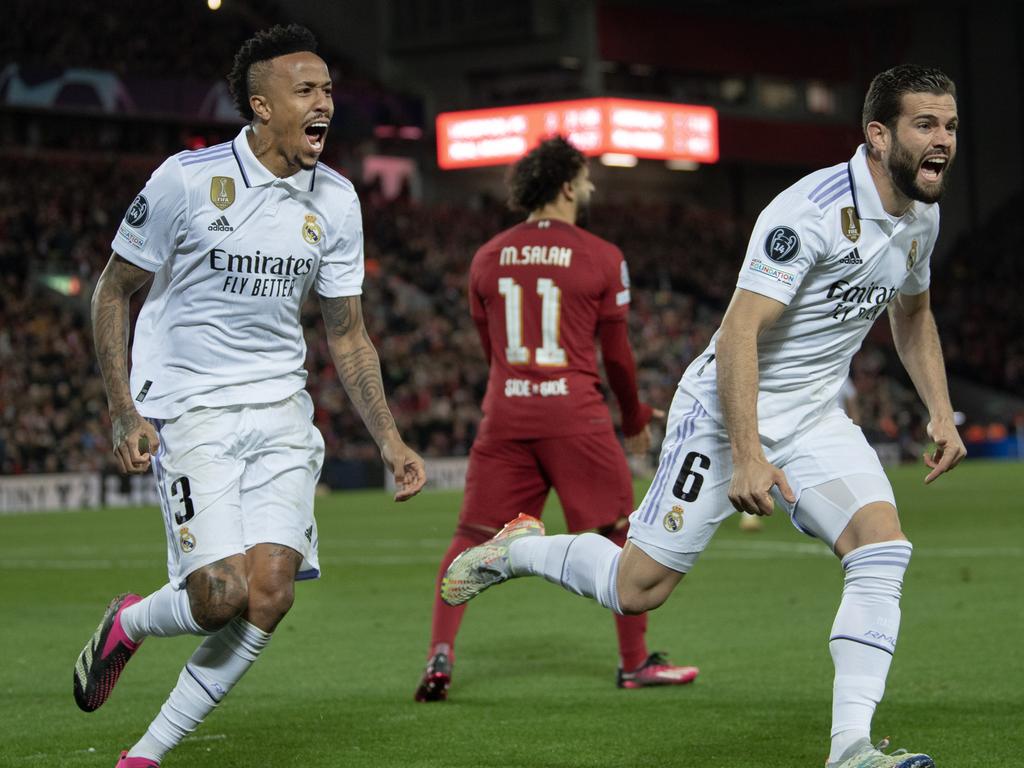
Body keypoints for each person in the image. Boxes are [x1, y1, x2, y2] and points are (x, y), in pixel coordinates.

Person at [442, 65, 965, 768]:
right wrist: (748, 454)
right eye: (925, 125)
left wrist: (940, 410)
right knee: (638, 589)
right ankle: (518, 550)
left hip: (814, 420)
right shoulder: (806, 212)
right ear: (878, 135)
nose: (943, 141)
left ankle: (852, 750)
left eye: (952, 126)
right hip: (724, 413)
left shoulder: (921, 219)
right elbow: (740, 331)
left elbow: (913, 313)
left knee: (881, 548)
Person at [74, 25, 426, 767]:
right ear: (261, 106)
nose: (324, 102)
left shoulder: (335, 200)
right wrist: (122, 409)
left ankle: (144, 754)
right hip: (191, 410)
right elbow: (113, 290)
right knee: (218, 598)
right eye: (307, 91)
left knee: (269, 593)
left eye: (329, 89)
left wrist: (389, 438)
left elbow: (349, 333)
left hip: (280, 415)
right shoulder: (186, 180)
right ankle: (132, 624)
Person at [415, 136, 698, 701]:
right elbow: (616, 356)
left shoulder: (486, 256)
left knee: (472, 537)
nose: (589, 187)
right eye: (585, 177)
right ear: (568, 183)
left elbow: (489, 349)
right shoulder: (601, 255)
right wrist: (635, 416)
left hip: (507, 415)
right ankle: (634, 661)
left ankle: (439, 658)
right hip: (576, 416)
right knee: (619, 530)